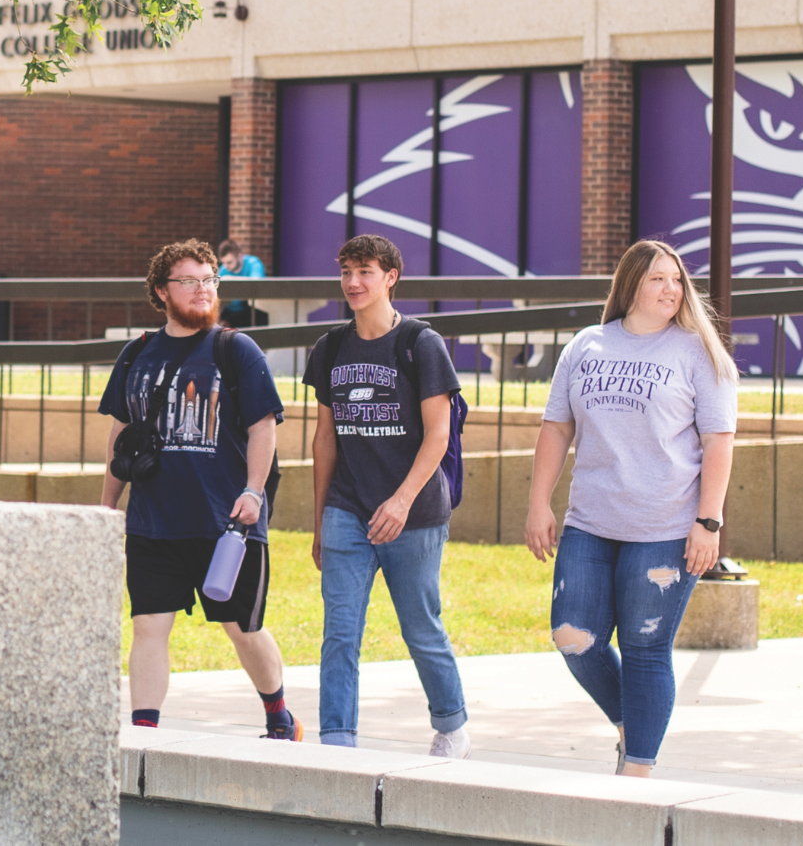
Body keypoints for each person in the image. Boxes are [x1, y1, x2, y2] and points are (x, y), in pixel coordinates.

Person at [522, 239, 736, 778]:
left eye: (677, 280)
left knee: (645, 649)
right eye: (658, 279)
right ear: (632, 284)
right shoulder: (587, 345)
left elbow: (719, 443)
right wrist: (537, 504)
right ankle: (631, 724)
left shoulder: (696, 352)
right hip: (590, 524)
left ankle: (637, 769)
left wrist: (708, 522)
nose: (671, 289)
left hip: (664, 527)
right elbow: (556, 429)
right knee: (574, 638)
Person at [99, 240, 300, 740]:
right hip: (154, 522)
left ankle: (280, 717)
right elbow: (121, 438)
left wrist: (254, 492)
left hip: (227, 524)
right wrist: (106, 506)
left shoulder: (236, 350)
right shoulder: (137, 354)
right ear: (161, 291)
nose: (202, 290)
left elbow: (263, 428)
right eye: (189, 281)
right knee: (147, 628)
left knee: (242, 629)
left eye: (209, 280)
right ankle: (145, 732)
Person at [304, 234, 471, 755]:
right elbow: (324, 438)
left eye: (366, 272)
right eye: (346, 271)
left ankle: (452, 727)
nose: (354, 282)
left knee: (421, 628)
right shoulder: (330, 348)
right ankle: (337, 741)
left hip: (414, 512)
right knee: (339, 634)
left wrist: (400, 502)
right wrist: (319, 522)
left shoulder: (421, 344)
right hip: (348, 510)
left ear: (391, 277)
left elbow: (438, 435)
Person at [218, 239, 268, 329]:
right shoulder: (224, 269)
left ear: (239, 256)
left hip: (249, 309)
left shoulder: (253, 263)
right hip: (229, 309)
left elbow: (256, 285)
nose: (226, 266)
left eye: (229, 262)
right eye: (223, 263)